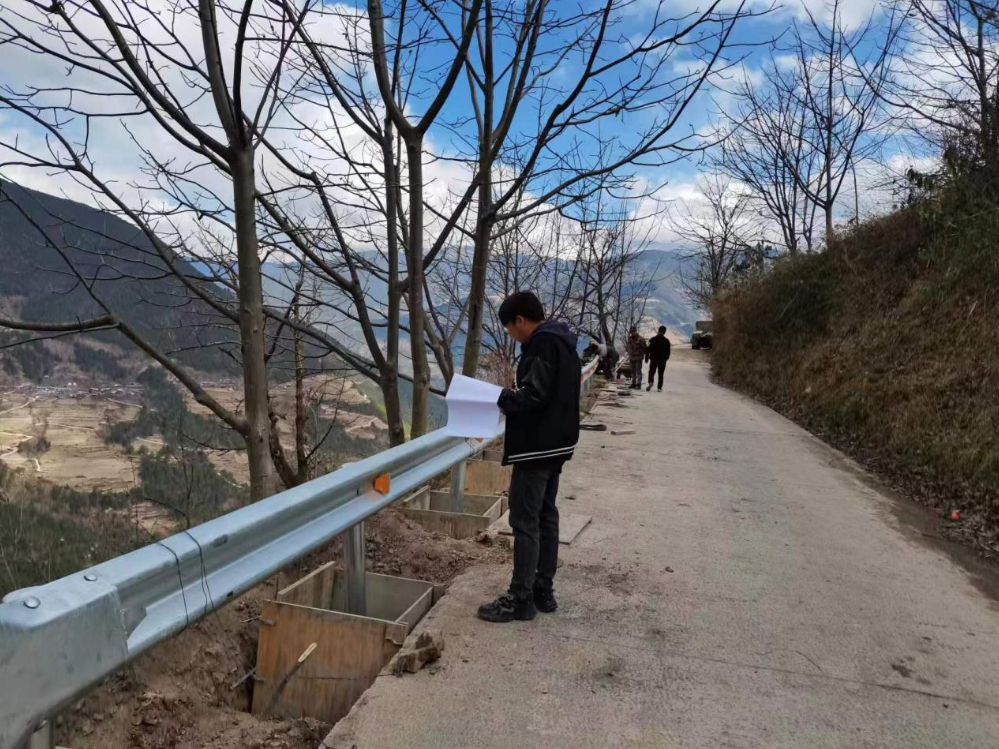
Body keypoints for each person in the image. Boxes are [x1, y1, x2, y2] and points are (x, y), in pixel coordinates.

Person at [478, 291, 581, 623]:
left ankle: (520, 598)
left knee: (524, 521)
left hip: (536, 447)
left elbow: (533, 395)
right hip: (558, 445)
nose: (511, 335)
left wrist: (499, 397)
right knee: (546, 516)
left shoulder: (542, 345)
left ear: (520, 320)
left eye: (510, 328)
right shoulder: (564, 343)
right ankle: (542, 590)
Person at [645, 326, 671, 392]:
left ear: (658, 331)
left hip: (653, 359)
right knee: (661, 374)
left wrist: (646, 358)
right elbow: (668, 352)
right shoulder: (667, 341)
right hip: (662, 360)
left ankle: (651, 382)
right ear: (664, 332)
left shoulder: (652, 339)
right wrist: (666, 359)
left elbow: (648, 349)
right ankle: (659, 387)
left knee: (651, 372)